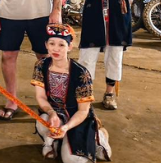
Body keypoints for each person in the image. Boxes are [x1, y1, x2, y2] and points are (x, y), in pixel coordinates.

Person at [32, 24, 112, 162]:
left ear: (69, 47)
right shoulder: (41, 65)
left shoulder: (81, 73)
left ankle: (98, 136)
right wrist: (51, 113)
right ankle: (53, 142)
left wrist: (66, 127)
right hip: (55, 114)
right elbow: (41, 97)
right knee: (43, 121)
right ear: (46, 45)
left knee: (73, 160)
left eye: (61, 45)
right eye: (52, 43)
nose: (56, 49)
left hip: (77, 117)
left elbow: (83, 111)